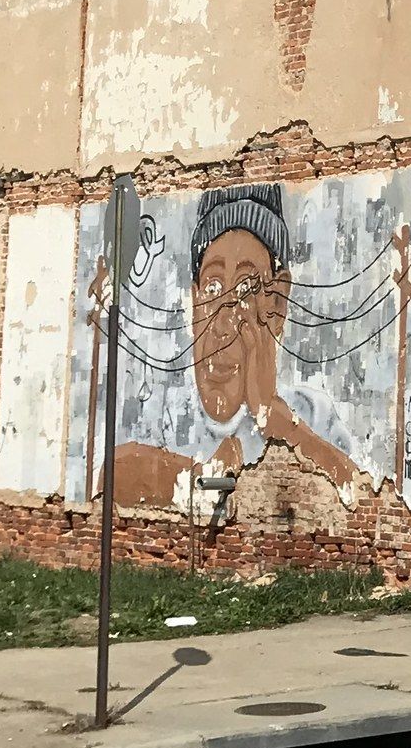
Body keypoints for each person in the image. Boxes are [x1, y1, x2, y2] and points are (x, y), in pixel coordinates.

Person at [112, 186, 363, 507]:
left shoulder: (311, 413)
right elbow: (112, 475)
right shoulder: (162, 404)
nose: (223, 325)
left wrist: (273, 417)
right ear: (194, 302)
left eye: (246, 289)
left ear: (278, 305)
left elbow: (360, 500)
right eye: (212, 288)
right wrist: (204, 477)